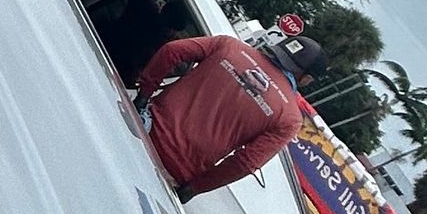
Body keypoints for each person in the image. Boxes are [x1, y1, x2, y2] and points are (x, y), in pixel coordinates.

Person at [134, 32, 312, 199]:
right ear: (307, 79)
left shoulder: (230, 46)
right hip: (173, 171)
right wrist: (194, 189)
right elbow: (246, 162)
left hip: (140, 129)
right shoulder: (289, 118)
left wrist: (143, 96)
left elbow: (173, 50)